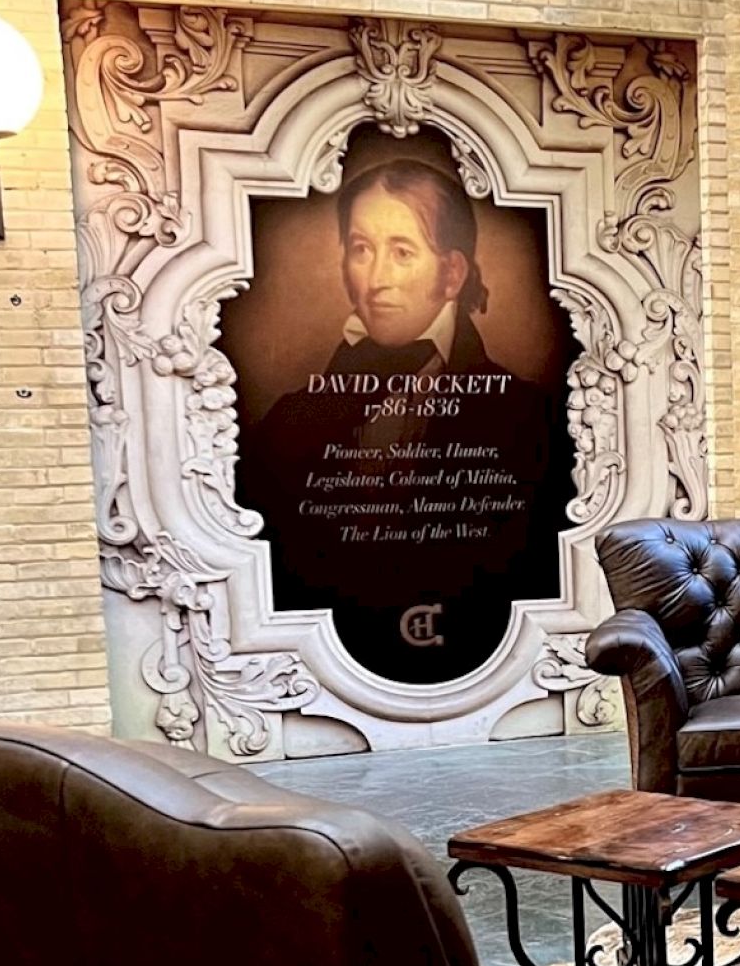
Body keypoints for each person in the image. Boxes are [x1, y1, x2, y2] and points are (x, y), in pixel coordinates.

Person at [242, 156, 565, 685]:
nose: (376, 280)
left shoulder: (530, 415)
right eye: (361, 249)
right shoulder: (288, 421)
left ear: (452, 273)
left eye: (402, 252)